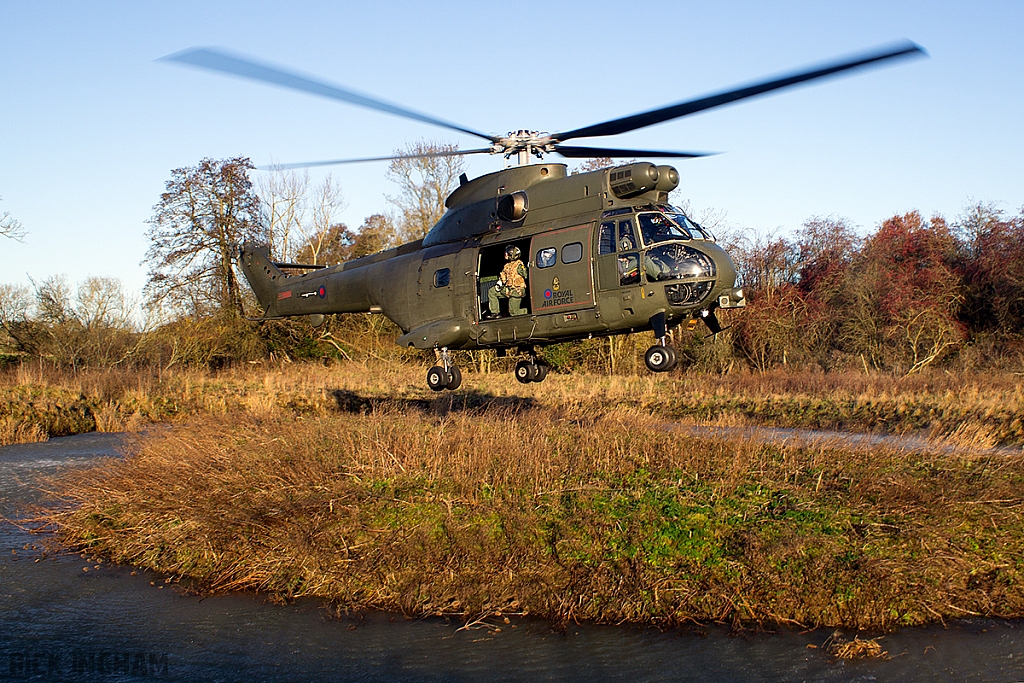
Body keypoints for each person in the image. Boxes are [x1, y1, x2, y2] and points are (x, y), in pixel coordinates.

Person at [486, 245, 527, 318]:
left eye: (507, 253)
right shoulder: (507, 266)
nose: (505, 254)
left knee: (513, 312)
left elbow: (526, 275)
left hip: (517, 291)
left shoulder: (519, 266)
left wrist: (524, 269)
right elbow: (503, 276)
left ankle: (527, 311)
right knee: (492, 292)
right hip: (508, 289)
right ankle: (495, 313)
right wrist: (499, 283)